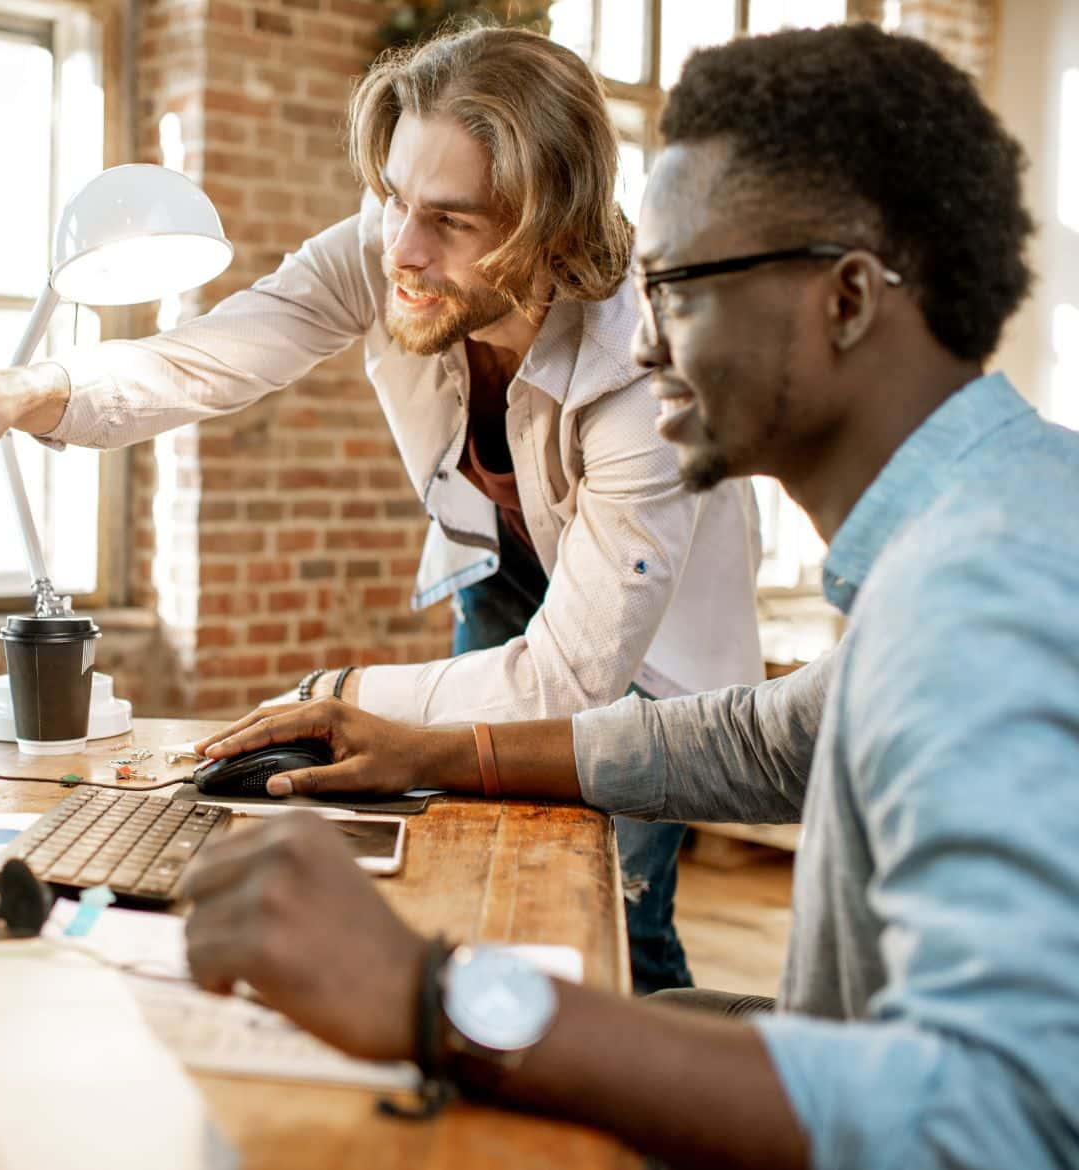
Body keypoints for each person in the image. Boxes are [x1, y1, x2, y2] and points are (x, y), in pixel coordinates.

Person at [177, 23, 1079, 1170]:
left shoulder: (988, 591)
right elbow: (764, 739)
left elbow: (1002, 1121)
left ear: (847, 300)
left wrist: (428, 993)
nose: (639, 344)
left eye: (682, 288)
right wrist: (430, 749)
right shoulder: (988, 517)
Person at [0, 25, 766, 993]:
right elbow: (206, 356)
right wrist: (12, 396)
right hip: (506, 570)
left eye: (451, 221)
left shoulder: (644, 364)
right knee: (480, 845)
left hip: (645, 646)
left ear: (544, 226)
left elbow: (568, 683)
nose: (401, 248)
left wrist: (336, 694)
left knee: (613, 893)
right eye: (393, 197)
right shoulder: (387, 245)